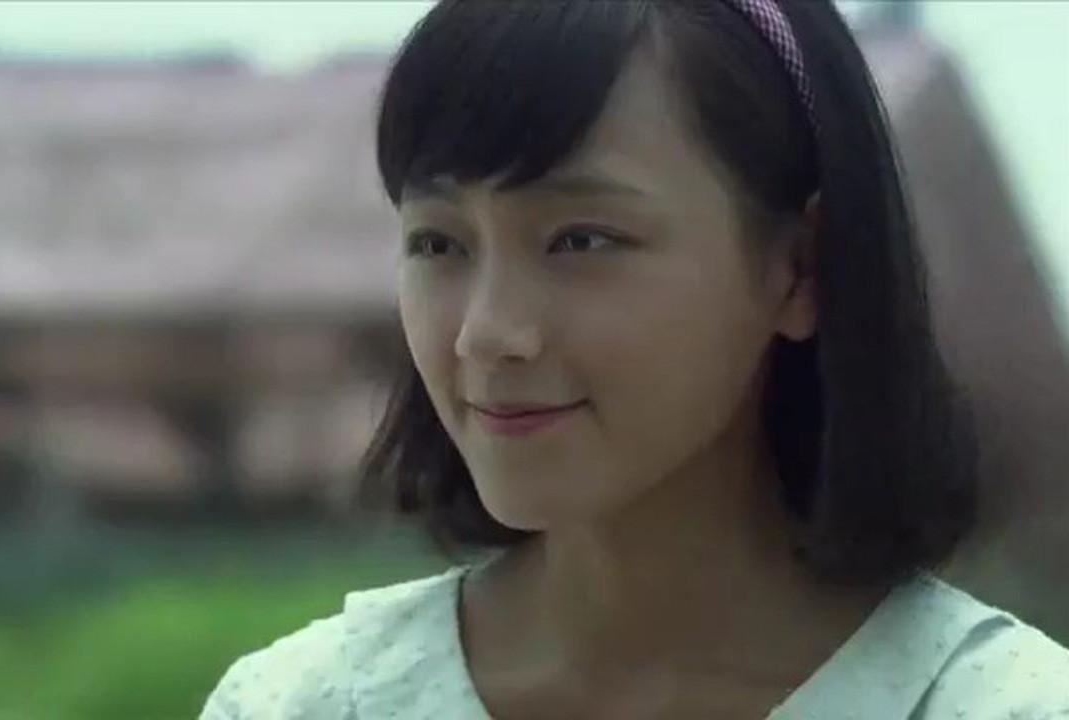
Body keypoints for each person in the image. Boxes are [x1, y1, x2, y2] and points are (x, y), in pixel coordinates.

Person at [201, 1, 1069, 717]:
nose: (487, 331)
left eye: (581, 239)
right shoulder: (305, 703)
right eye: (437, 243)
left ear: (799, 266)